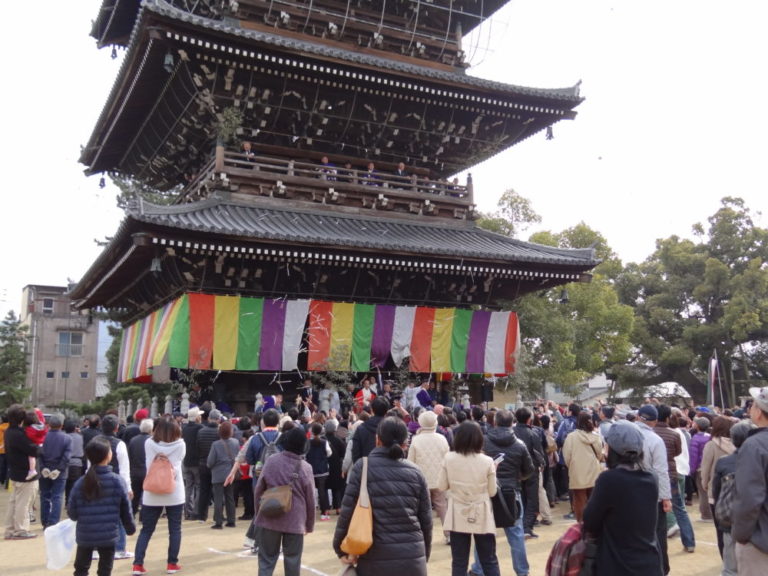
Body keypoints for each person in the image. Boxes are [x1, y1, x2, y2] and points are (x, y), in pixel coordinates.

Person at [334, 417, 432, 576]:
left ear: (377, 440)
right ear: (405, 444)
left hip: (374, 556)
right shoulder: (416, 472)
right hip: (412, 556)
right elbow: (426, 521)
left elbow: (347, 512)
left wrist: (340, 548)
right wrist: (423, 554)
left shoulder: (362, 467)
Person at [583, 420, 662, 575]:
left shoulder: (609, 480)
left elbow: (590, 520)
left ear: (611, 448)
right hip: (649, 561)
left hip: (617, 562)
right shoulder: (651, 478)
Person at [470, 409, 534, 576]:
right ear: (512, 423)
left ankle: (478, 568)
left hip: (488, 491)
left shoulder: (483, 442)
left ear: (495, 422)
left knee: (483, 532)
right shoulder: (519, 444)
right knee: (516, 535)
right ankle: (522, 571)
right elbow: (529, 469)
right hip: (512, 491)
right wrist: (517, 478)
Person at [438, 420, 500, 576]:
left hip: (457, 511)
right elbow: (492, 492)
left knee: (459, 562)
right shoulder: (487, 461)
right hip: (481, 511)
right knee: (489, 559)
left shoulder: (449, 458)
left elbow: (442, 486)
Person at [67, 436, 136, 576]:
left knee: (81, 569)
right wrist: (130, 528)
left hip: (85, 534)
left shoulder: (81, 482)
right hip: (108, 535)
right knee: (105, 570)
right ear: (108, 456)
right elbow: (125, 510)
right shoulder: (117, 481)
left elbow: (72, 513)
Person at [254, 426, 316, 576]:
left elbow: (258, 490)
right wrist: (309, 525)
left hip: (269, 517)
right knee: (293, 561)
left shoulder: (271, 461)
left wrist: (258, 514)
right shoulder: (306, 468)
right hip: (295, 521)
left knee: (266, 561)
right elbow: (311, 500)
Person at [132, 417, 186, 576]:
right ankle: (172, 563)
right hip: (174, 491)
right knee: (174, 529)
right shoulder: (181, 445)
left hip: (152, 490)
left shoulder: (149, 443)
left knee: (146, 530)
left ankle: (137, 564)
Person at [732, 388, 768, 575]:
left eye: (752, 405)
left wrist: (741, 535)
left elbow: (749, 498)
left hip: (761, 539)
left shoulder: (754, 446)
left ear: (759, 411)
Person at [712, 419, 754, 576]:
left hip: (731, 519)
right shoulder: (761, 458)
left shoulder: (724, 463)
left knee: (730, 567)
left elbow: (717, 494)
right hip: (757, 522)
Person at [635, 404, 673, 574]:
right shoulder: (655, 439)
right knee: (658, 535)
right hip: (652, 493)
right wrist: (665, 497)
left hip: (631, 493)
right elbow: (661, 471)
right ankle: (661, 569)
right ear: (655, 421)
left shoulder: (629, 435)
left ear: (638, 417)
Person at [654, 404, 696, 553]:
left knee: (654, 510)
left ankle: (656, 544)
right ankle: (689, 542)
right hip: (672, 473)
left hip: (654, 476)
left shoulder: (650, 434)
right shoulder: (674, 434)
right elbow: (677, 453)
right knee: (680, 508)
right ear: (667, 417)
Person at [407, 410, 450, 543]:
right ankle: (448, 534)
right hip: (439, 479)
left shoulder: (416, 440)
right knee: (442, 506)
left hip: (421, 480)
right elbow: (447, 459)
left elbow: (410, 462)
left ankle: (423, 537)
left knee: (423, 510)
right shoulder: (442, 438)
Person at [3, 404, 40, 540]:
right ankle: (21, 530)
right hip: (26, 474)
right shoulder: (20, 434)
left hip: (15, 471)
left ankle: (10, 529)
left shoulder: (8, 431)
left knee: (14, 502)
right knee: (23, 504)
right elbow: (34, 450)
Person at [700, 415, 735, 556]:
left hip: (717, 492)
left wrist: (704, 485)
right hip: (736, 491)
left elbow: (705, 469)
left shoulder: (711, 445)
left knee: (720, 531)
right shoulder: (739, 444)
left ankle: (726, 561)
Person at [562, 412, 603, 522]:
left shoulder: (571, 437)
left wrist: (572, 466)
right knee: (593, 500)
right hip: (594, 471)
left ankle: (581, 524)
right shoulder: (596, 437)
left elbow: (567, 456)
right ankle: (593, 525)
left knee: (579, 500)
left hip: (577, 472)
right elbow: (600, 455)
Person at [39, 413, 72, 528]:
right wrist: (59, 469)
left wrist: (43, 467)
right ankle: (53, 522)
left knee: (44, 496)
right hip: (60, 472)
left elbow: (39, 454)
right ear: (62, 425)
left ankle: (45, 522)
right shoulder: (67, 438)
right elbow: (66, 457)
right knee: (57, 497)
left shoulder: (43, 436)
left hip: (45, 470)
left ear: (49, 424)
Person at [206, 420, 239, 529]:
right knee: (230, 497)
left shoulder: (215, 444)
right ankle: (231, 520)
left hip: (218, 474)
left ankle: (218, 521)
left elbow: (210, 461)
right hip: (230, 472)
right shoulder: (235, 442)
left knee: (218, 498)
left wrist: (210, 466)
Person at [196, 408, 222, 523]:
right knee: (218, 491)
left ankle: (202, 516)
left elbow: (198, 446)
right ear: (218, 420)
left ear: (209, 419)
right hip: (217, 465)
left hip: (202, 463)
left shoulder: (201, 431)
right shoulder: (219, 432)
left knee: (204, 490)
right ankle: (218, 516)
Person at [306, 422, 332, 520]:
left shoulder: (308, 442)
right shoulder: (324, 442)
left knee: (310, 492)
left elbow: (305, 454)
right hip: (322, 470)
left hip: (311, 470)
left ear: (312, 431)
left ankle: (309, 513)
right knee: (322, 491)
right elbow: (329, 453)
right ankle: (324, 513)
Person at [127, 418, 153, 517]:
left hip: (135, 470)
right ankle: (143, 516)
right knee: (146, 495)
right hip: (147, 471)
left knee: (136, 494)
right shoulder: (151, 441)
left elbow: (130, 455)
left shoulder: (133, 440)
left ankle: (132, 514)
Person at [181, 406, 203, 520]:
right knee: (199, 486)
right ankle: (196, 511)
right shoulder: (200, 428)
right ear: (197, 417)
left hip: (186, 460)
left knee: (188, 486)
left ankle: (187, 511)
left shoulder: (183, 428)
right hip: (197, 461)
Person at [689, 416, 713, 521]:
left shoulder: (695, 438)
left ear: (697, 426)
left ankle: (706, 515)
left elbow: (693, 456)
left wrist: (692, 470)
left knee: (703, 492)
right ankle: (711, 513)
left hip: (700, 468)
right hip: (711, 468)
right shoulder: (711, 437)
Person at [324, 419, 346, 514]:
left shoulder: (322, 440)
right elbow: (343, 455)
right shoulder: (339, 441)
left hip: (324, 466)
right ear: (335, 429)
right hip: (336, 466)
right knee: (336, 488)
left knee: (324, 488)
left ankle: (326, 509)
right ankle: (338, 508)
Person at [64, 417, 85, 504]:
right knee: (74, 484)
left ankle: (66, 500)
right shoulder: (80, 437)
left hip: (65, 462)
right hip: (77, 463)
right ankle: (71, 501)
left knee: (65, 483)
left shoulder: (64, 437)